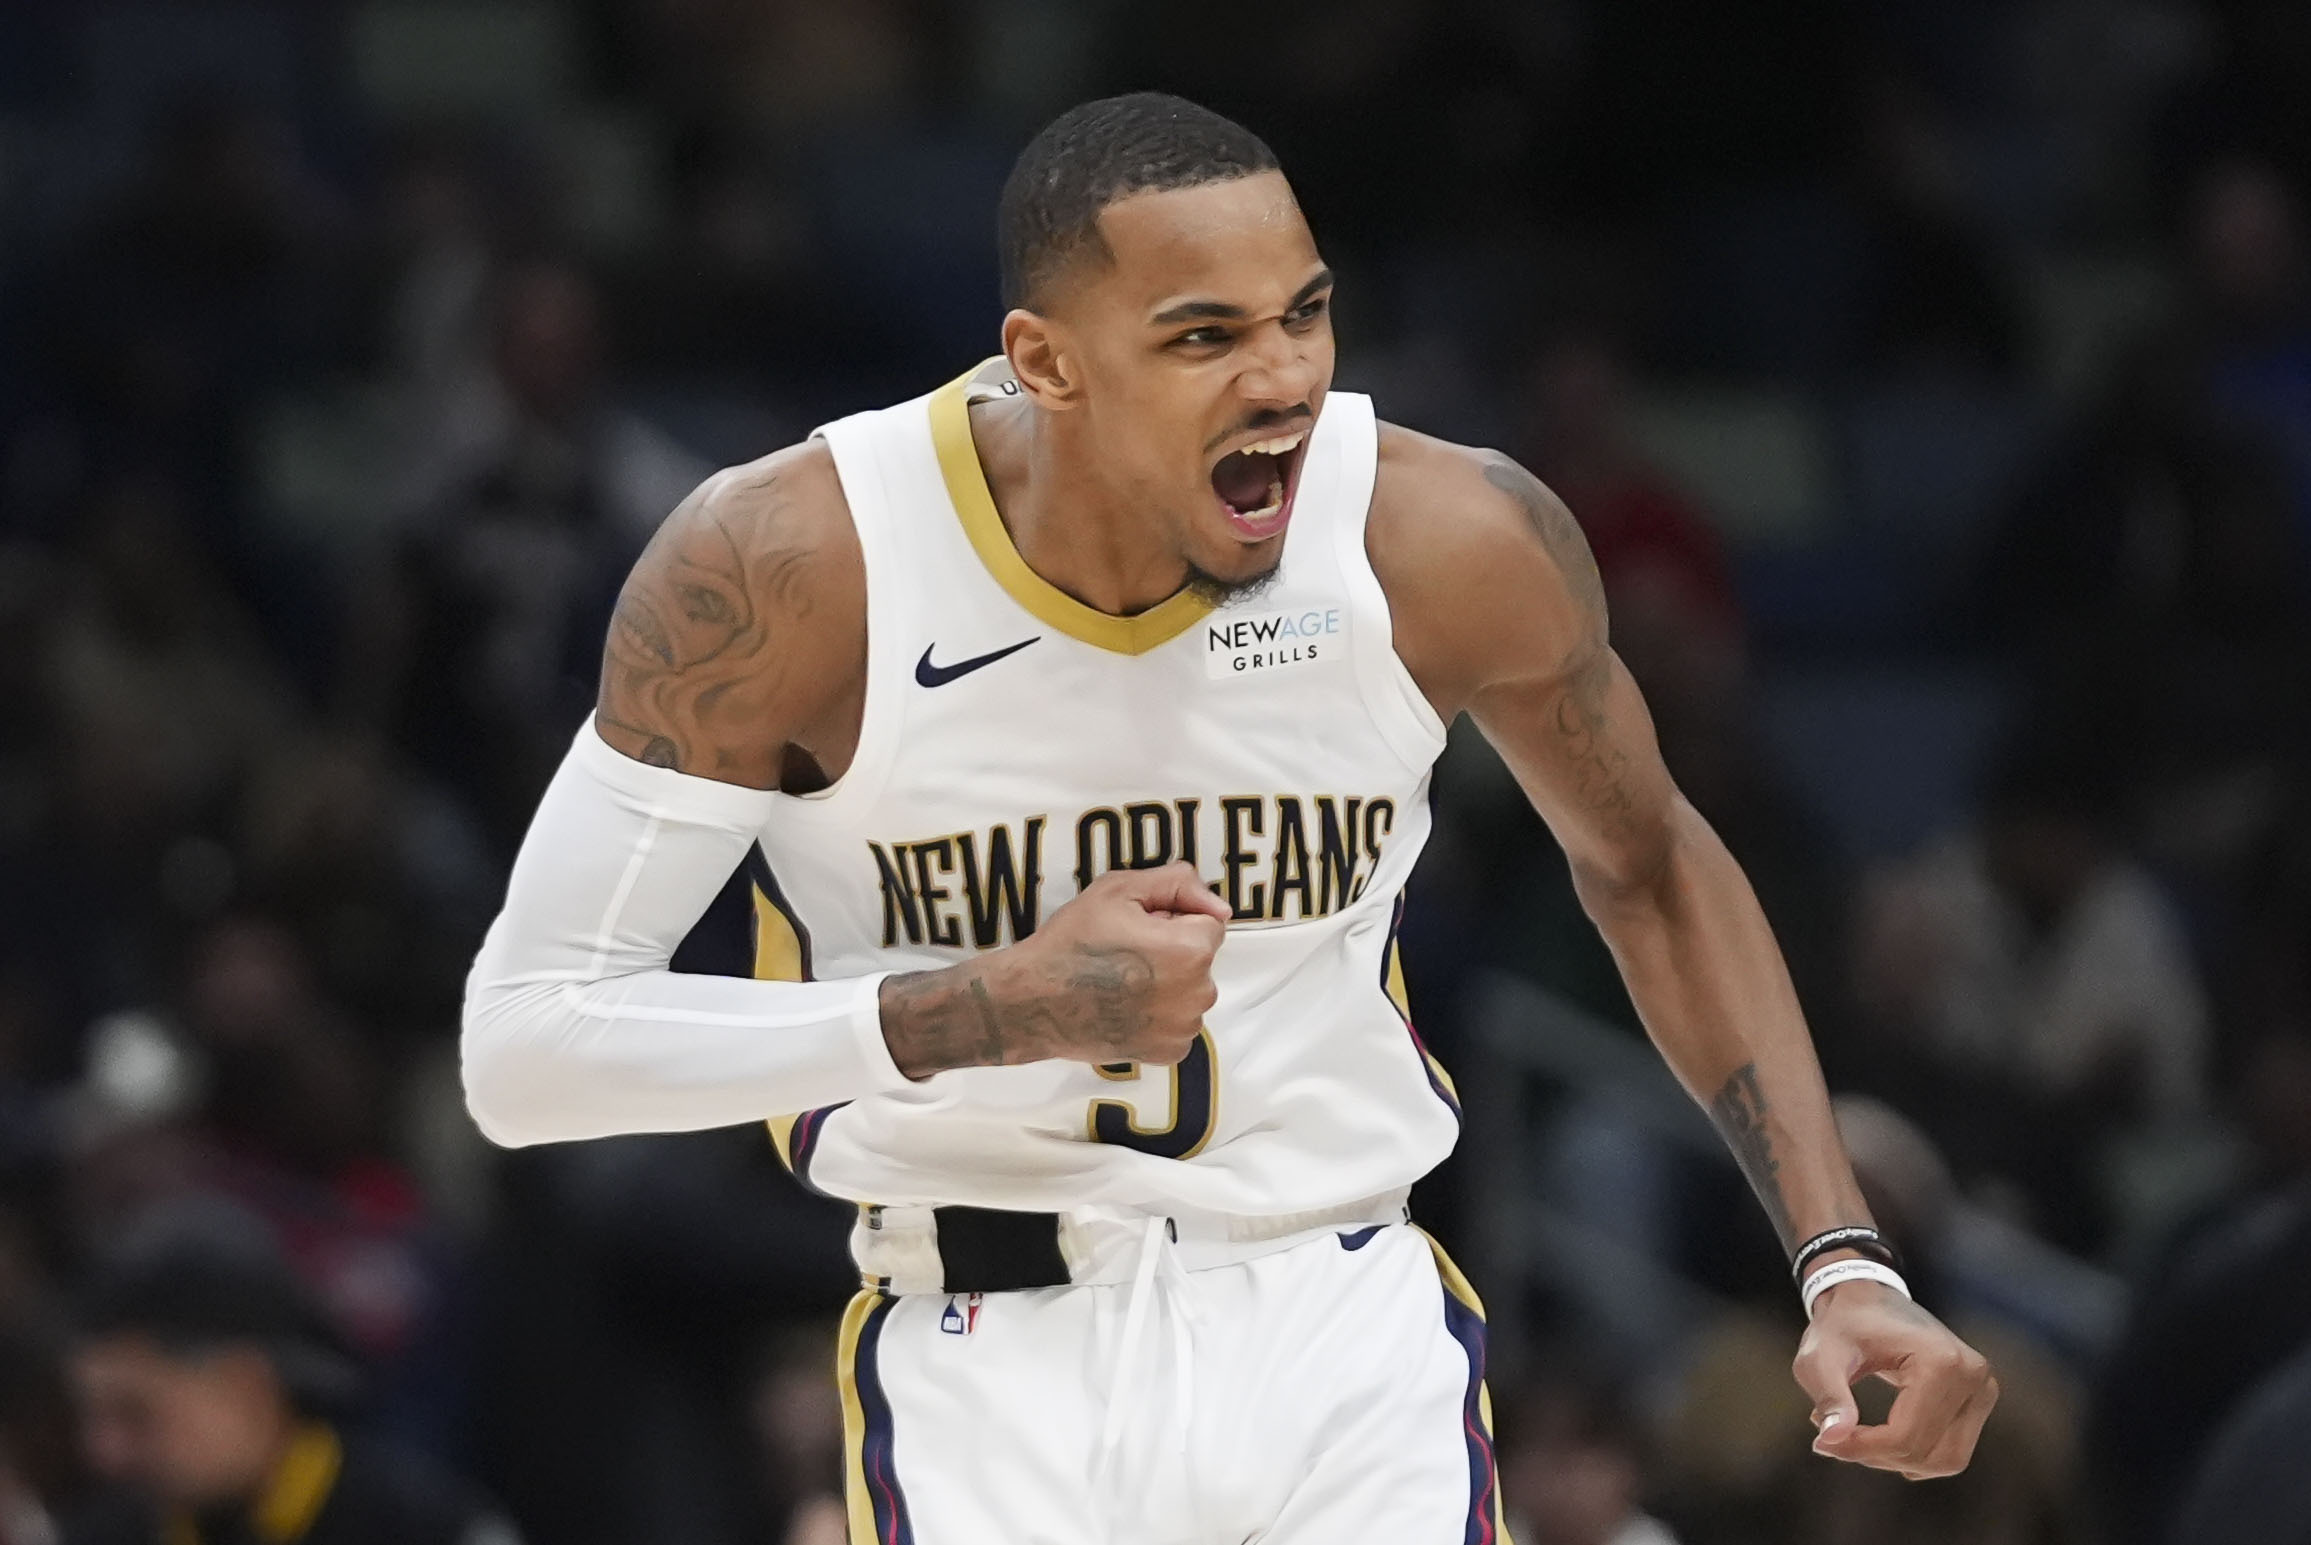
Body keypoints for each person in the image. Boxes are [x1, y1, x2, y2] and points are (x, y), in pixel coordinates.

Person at [461, 93, 1996, 1541]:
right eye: (1203, 336)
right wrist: (978, 1009)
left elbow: (1647, 867)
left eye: (1301, 315)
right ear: (1044, 362)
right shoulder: (794, 564)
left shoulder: (1437, 536)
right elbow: (528, 1048)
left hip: (1339, 1316)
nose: (1280, 380)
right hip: (988, 1348)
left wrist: (1839, 1262)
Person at [61, 1224, 515, 1545]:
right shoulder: (109, 1535)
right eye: (90, 1414)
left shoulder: (426, 1529)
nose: (103, 1450)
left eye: (136, 1412)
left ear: (246, 1387)